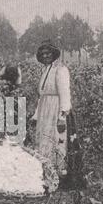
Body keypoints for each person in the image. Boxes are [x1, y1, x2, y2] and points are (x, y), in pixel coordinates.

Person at [31, 39, 84, 189]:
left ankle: (58, 175)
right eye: (43, 53)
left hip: (56, 110)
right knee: (44, 140)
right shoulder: (46, 70)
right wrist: (36, 115)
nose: (46, 56)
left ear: (54, 54)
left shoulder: (61, 70)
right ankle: (46, 173)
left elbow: (65, 94)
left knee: (57, 139)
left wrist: (62, 116)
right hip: (45, 110)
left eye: (48, 53)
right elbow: (42, 95)